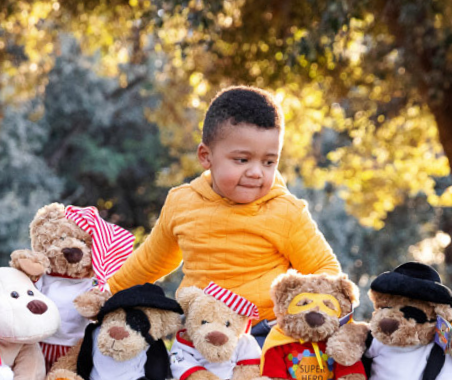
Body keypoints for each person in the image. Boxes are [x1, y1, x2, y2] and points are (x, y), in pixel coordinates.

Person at [107, 86, 340, 345]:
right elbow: (150, 262)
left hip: (264, 334)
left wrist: (309, 317)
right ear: (206, 156)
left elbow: (325, 271)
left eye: (269, 162)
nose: (256, 172)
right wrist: (108, 294)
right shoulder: (182, 203)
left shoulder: (285, 212)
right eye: (242, 160)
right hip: (200, 333)